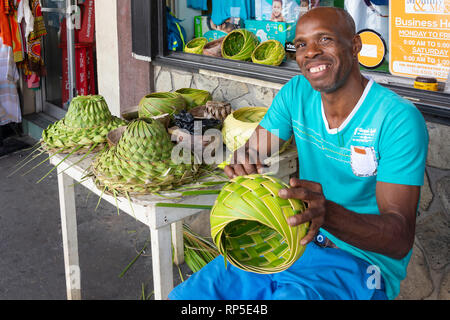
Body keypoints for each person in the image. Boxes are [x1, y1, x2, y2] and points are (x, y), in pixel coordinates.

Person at [169, 7, 428, 300]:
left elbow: (399, 239)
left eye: (325, 39)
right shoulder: (297, 92)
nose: (311, 53)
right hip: (289, 240)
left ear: (355, 46)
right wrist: (245, 159)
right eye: (302, 44)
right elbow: (255, 146)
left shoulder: (396, 119)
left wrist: (326, 214)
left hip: (358, 261)